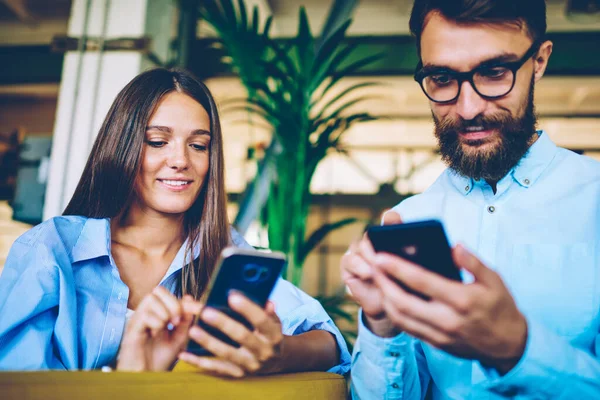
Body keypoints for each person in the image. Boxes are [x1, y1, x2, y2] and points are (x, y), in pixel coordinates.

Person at [0, 68, 350, 376]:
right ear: (121, 146)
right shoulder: (51, 249)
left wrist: (278, 354)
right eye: (157, 141)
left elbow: (331, 342)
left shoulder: (225, 253)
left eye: (199, 146)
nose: (181, 160)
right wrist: (125, 376)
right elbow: (19, 385)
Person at [343, 1, 600, 398]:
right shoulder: (410, 219)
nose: (468, 108)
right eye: (442, 79)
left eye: (495, 72)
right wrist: (381, 323)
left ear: (540, 61)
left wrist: (517, 348)